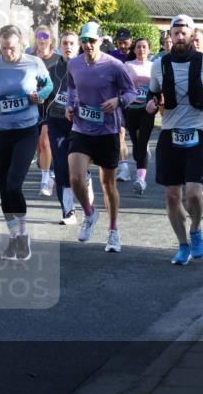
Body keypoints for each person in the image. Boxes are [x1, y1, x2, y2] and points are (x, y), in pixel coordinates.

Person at [144, 15, 203, 265]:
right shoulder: (159, 64)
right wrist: (151, 104)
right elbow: (152, 94)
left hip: (199, 131)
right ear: (169, 36)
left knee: (193, 194)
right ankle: (183, 245)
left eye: (184, 32)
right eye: (176, 33)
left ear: (193, 35)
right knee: (172, 196)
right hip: (170, 133)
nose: (180, 37)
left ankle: (196, 230)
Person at [0, 24, 54, 261]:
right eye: (3, 48)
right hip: (1, 130)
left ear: (20, 44)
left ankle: (24, 235)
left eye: (11, 48)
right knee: (3, 189)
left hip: (26, 130)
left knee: (13, 184)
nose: (7, 54)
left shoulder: (33, 62)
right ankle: (15, 238)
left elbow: (49, 86)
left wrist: (38, 96)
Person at [65, 21, 136, 252]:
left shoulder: (115, 65)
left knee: (108, 184)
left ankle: (113, 231)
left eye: (91, 40)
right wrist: (70, 105)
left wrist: (118, 101)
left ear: (101, 41)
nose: (87, 45)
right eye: (84, 40)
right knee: (75, 177)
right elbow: (71, 88)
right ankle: (89, 213)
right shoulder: (74, 64)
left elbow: (131, 92)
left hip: (107, 131)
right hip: (81, 128)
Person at [44, 31, 81, 224]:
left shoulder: (86, 68)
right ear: (60, 46)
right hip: (57, 121)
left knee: (77, 165)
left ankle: (86, 180)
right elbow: (45, 95)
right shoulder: (52, 71)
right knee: (60, 165)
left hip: (80, 124)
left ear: (78, 46)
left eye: (72, 43)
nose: (68, 47)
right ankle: (68, 211)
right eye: (65, 43)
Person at [122, 38, 156, 195]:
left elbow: (158, 86)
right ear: (134, 50)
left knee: (142, 141)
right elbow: (121, 86)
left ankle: (141, 179)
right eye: (138, 47)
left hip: (148, 109)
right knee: (136, 142)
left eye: (144, 47)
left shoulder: (154, 66)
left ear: (149, 50)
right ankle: (140, 163)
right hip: (132, 108)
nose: (141, 49)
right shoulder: (128, 66)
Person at [31, 25, 61, 197]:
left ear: (51, 40)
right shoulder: (30, 58)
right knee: (39, 145)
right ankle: (49, 170)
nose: (42, 39)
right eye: (39, 36)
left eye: (45, 36)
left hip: (52, 106)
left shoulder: (57, 59)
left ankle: (45, 179)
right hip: (33, 106)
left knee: (44, 142)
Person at [110, 28, 134, 182]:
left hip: (136, 103)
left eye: (125, 43)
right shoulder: (112, 56)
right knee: (120, 134)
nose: (123, 46)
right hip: (119, 101)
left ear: (131, 41)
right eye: (120, 43)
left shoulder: (136, 53)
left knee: (137, 139)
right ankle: (124, 168)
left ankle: (141, 151)